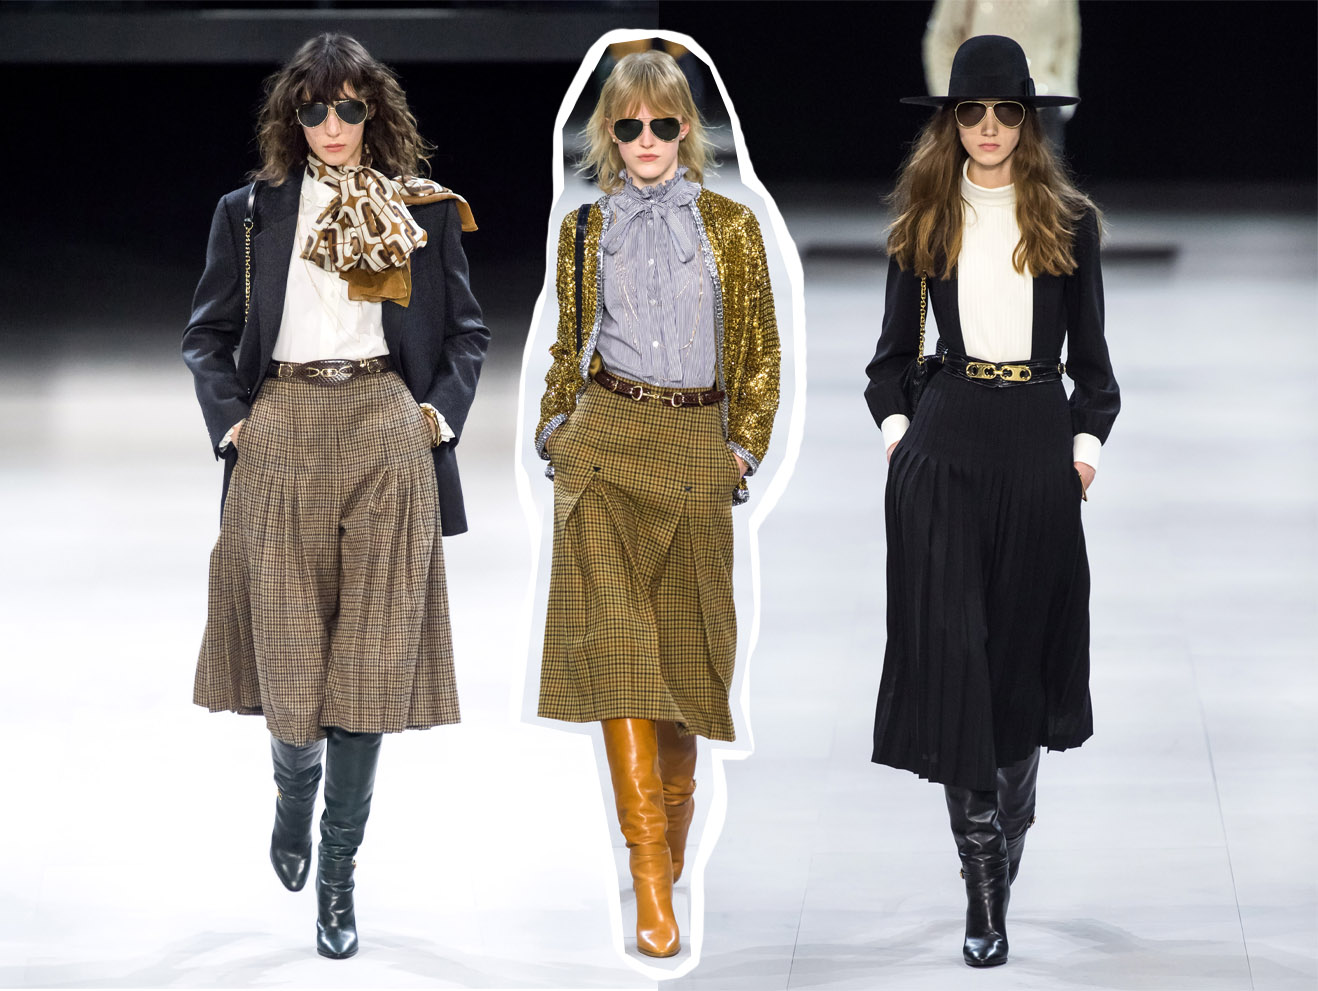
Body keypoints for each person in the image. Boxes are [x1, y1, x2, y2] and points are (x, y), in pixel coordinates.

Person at [181, 33, 489, 959]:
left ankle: (340, 876)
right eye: (314, 109)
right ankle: (293, 789)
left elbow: (466, 332)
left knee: (370, 661)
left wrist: (435, 417)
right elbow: (208, 335)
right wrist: (234, 423)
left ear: (373, 112)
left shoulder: (421, 209)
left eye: (348, 107)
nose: (331, 124)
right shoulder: (248, 213)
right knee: (288, 656)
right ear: (293, 117)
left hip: (384, 428)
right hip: (280, 426)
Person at [864, 35, 1118, 968]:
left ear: (1027, 122)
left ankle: (1005, 848)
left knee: (1016, 669)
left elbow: (1095, 369)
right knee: (954, 662)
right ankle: (981, 887)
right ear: (951, 122)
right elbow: (889, 362)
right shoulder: (925, 221)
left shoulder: (1069, 223)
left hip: (1037, 445)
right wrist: (902, 441)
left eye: (1005, 112)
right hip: (946, 444)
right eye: (971, 112)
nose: (988, 128)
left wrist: (1082, 455)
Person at [533, 49, 779, 958]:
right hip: (605, 447)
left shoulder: (731, 228)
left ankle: (670, 848)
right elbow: (569, 342)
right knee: (621, 663)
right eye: (629, 124)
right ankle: (646, 874)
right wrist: (556, 429)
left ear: (686, 131)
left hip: (694, 449)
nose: (646, 139)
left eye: (662, 124)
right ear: (609, 132)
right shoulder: (584, 230)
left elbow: (760, 350)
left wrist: (740, 448)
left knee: (684, 676)